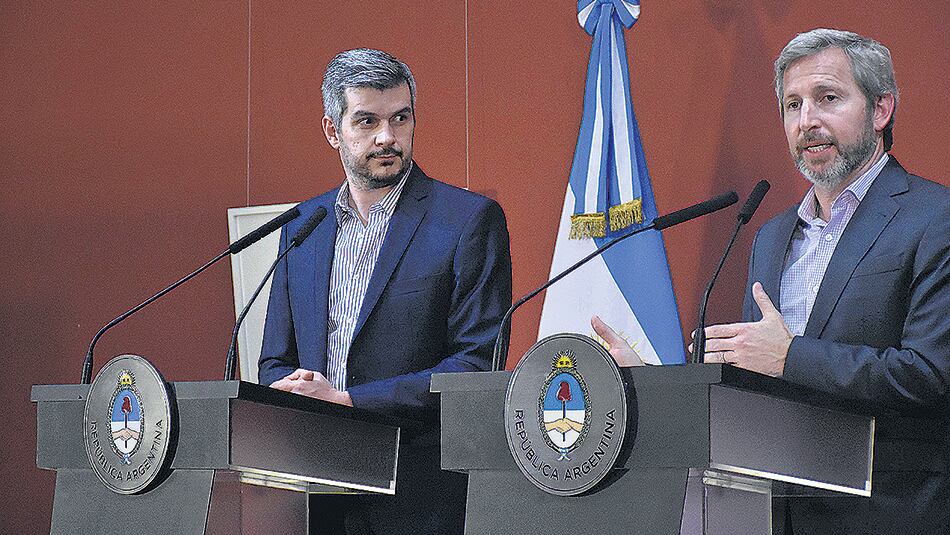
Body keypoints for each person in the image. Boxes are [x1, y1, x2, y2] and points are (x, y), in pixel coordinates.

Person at [598, 28, 950, 533]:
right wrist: (662, 385)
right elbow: (760, 388)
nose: (807, 121)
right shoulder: (771, 235)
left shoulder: (934, 218)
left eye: (828, 98)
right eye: (792, 105)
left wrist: (787, 356)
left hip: (892, 513)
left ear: (881, 110)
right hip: (771, 515)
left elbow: (929, 375)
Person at [258, 48, 512, 534]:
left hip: (417, 495)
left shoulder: (466, 222)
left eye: (400, 118)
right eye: (367, 121)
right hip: (313, 493)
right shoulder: (302, 227)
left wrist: (351, 402)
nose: (387, 138)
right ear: (333, 130)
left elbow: (477, 364)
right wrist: (293, 391)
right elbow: (275, 360)